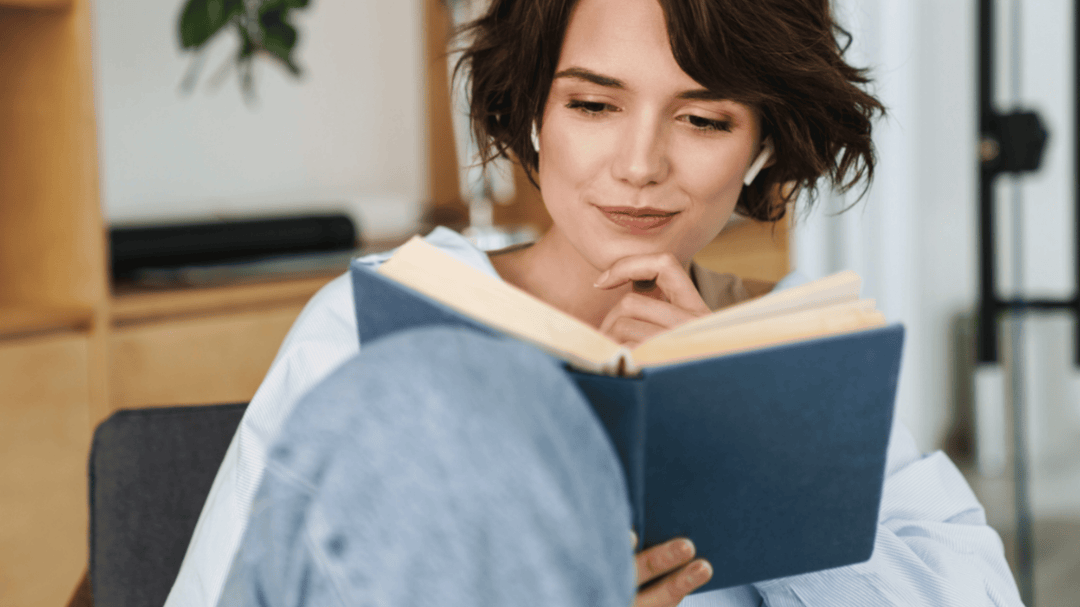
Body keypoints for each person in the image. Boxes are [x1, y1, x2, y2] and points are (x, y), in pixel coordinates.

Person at [165, 0, 1026, 605]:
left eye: (704, 120)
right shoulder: (367, 323)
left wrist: (750, 426)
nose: (640, 164)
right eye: (593, 103)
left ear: (763, 143)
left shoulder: (797, 348)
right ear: (536, 112)